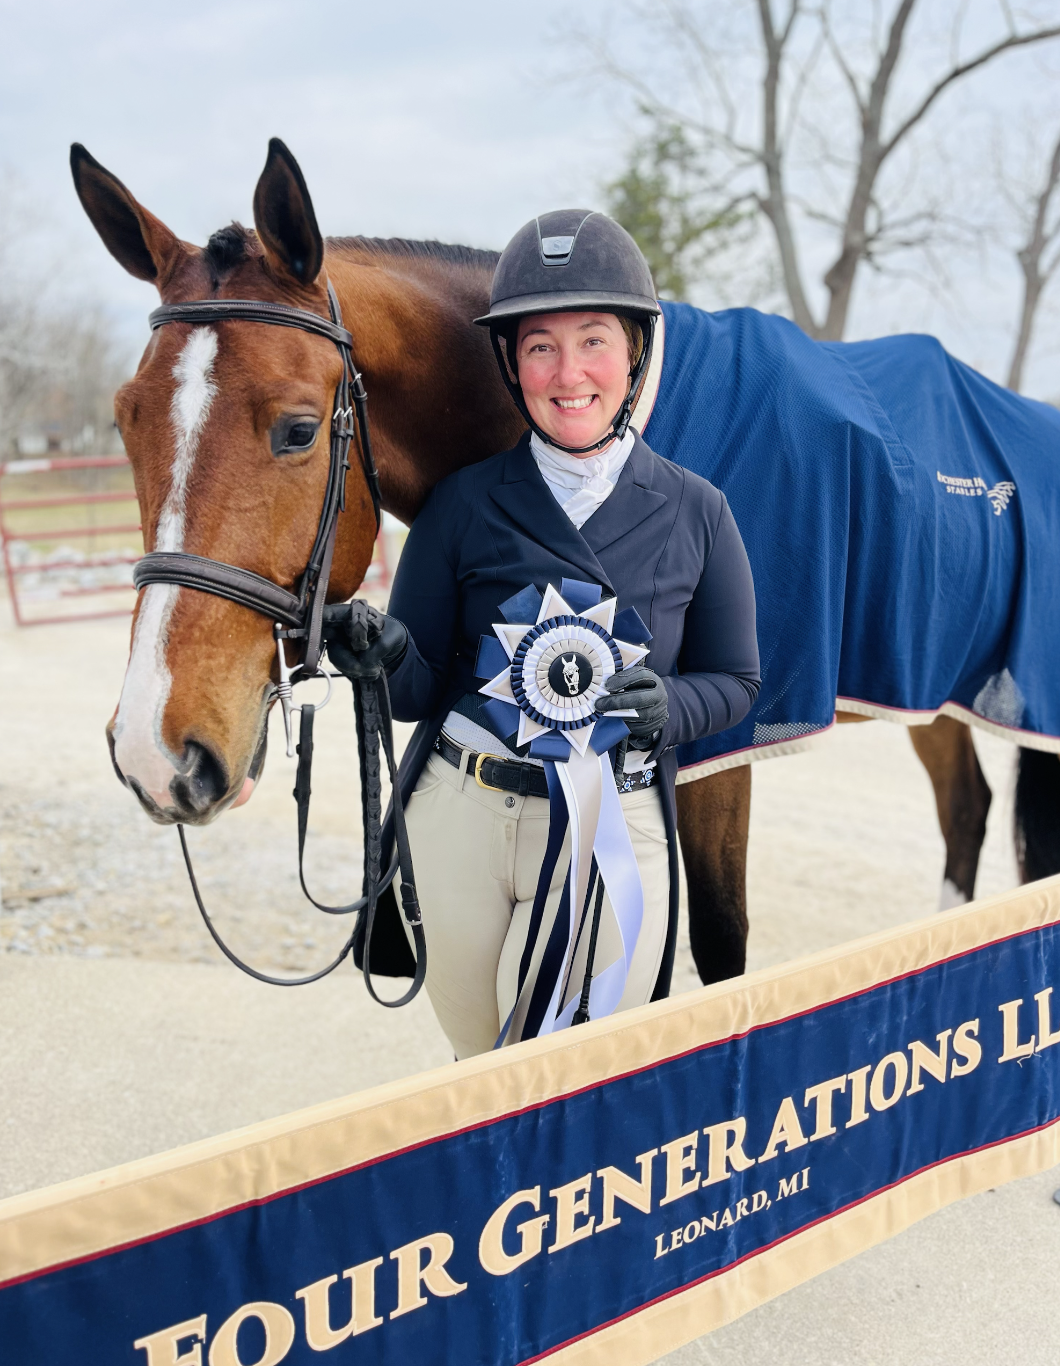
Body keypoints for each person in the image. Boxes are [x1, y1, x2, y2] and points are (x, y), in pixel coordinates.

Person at [325, 210, 760, 1059]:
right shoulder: (460, 505)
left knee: (575, 1080)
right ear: (511, 365)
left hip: (613, 823)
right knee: (477, 1069)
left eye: (593, 341)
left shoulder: (698, 511)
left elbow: (738, 681)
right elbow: (416, 690)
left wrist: (670, 703)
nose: (569, 374)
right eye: (539, 347)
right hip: (462, 816)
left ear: (632, 355)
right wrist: (379, 657)